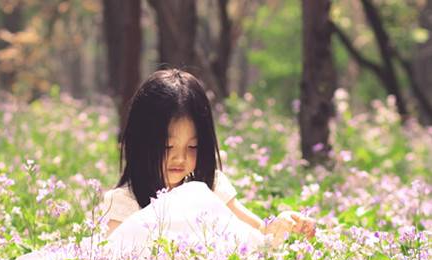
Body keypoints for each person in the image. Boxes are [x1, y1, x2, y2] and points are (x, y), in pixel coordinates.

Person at [103, 69, 315, 244]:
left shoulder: (210, 187)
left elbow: (258, 232)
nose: (180, 158)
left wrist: (282, 224)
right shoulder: (124, 201)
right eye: (168, 147)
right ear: (142, 142)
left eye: (192, 147)